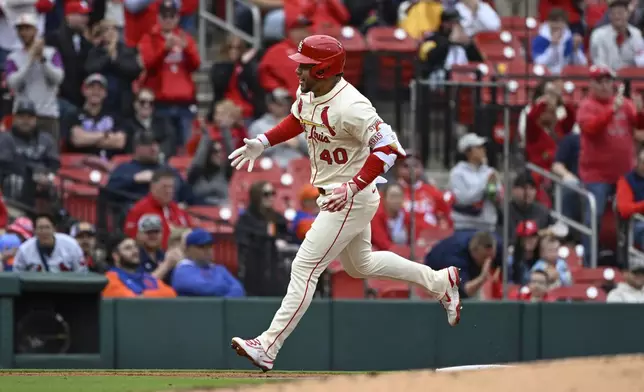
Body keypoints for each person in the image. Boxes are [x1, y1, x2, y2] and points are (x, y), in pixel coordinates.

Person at [227, 34, 461, 372]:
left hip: (350, 196)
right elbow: (299, 118)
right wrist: (263, 142)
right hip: (337, 194)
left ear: (323, 70)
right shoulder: (310, 92)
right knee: (360, 266)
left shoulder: (352, 106)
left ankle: (268, 345)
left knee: (304, 267)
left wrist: (353, 186)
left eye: (305, 67)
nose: (298, 72)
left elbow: (389, 148)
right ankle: (440, 282)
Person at [171, 228, 245, 297]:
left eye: (209, 246)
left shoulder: (220, 269)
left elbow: (239, 290)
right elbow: (205, 288)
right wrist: (225, 287)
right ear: (188, 250)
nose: (207, 250)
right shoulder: (182, 270)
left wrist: (222, 302)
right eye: (202, 247)